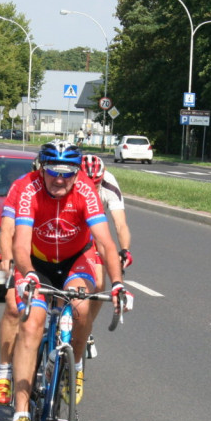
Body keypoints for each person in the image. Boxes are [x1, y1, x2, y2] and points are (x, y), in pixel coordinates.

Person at [8, 141, 132, 421]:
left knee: (80, 309)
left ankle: (74, 365)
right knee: (31, 324)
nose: (60, 179)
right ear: (41, 168)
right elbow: (20, 245)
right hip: (37, 262)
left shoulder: (87, 191)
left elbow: (105, 243)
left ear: (77, 173)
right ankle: (21, 411)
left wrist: (117, 283)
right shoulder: (30, 190)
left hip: (75, 259)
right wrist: (30, 275)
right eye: (53, 171)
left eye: (68, 173)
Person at [0, 158, 39, 406]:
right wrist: (7, 258)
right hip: (24, 257)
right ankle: (4, 373)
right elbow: (7, 228)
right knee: (13, 306)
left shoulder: (70, 188)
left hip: (57, 257)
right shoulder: (21, 187)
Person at [79, 153, 133, 358]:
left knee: (99, 285)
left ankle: (86, 329)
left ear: (103, 176)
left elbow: (120, 223)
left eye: (96, 183)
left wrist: (125, 249)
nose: (91, 188)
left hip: (95, 232)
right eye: (86, 183)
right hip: (72, 230)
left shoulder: (109, 185)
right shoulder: (69, 183)